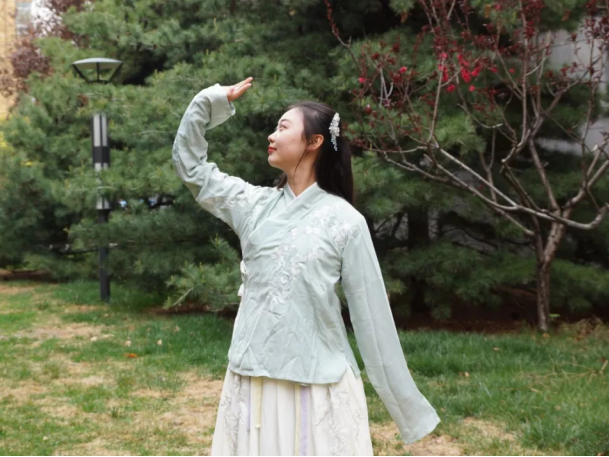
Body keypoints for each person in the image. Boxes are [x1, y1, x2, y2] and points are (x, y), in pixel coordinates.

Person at [172, 77, 441, 456]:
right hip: (253, 381)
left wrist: (405, 407)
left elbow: (372, 318)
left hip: (319, 385)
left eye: (283, 127)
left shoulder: (345, 221)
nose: (272, 135)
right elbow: (191, 168)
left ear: (314, 142)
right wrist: (208, 101)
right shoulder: (252, 206)